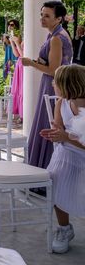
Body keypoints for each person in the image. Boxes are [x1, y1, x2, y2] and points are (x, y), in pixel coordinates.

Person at [39, 64, 85, 254]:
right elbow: (60, 130)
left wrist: (65, 137)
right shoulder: (61, 102)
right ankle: (64, 229)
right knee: (55, 177)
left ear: (68, 85)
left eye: (56, 82)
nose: (52, 84)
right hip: (66, 151)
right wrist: (54, 134)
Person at [23, 1, 73, 170]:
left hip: (53, 85)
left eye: (47, 16)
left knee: (49, 122)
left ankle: (45, 169)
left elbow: (54, 70)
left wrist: (30, 63)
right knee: (46, 121)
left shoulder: (57, 38)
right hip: (51, 83)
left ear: (58, 19)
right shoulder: (53, 35)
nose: (42, 19)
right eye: (41, 14)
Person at [8, 19, 24, 123]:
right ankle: (20, 114)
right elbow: (16, 54)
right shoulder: (15, 36)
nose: (10, 26)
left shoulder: (22, 37)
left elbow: (23, 55)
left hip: (23, 64)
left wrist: (17, 42)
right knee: (18, 90)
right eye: (9, 25)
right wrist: (12, 42)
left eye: (12, 24)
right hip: (19, 64)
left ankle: (23, 115)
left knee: (23, 90)